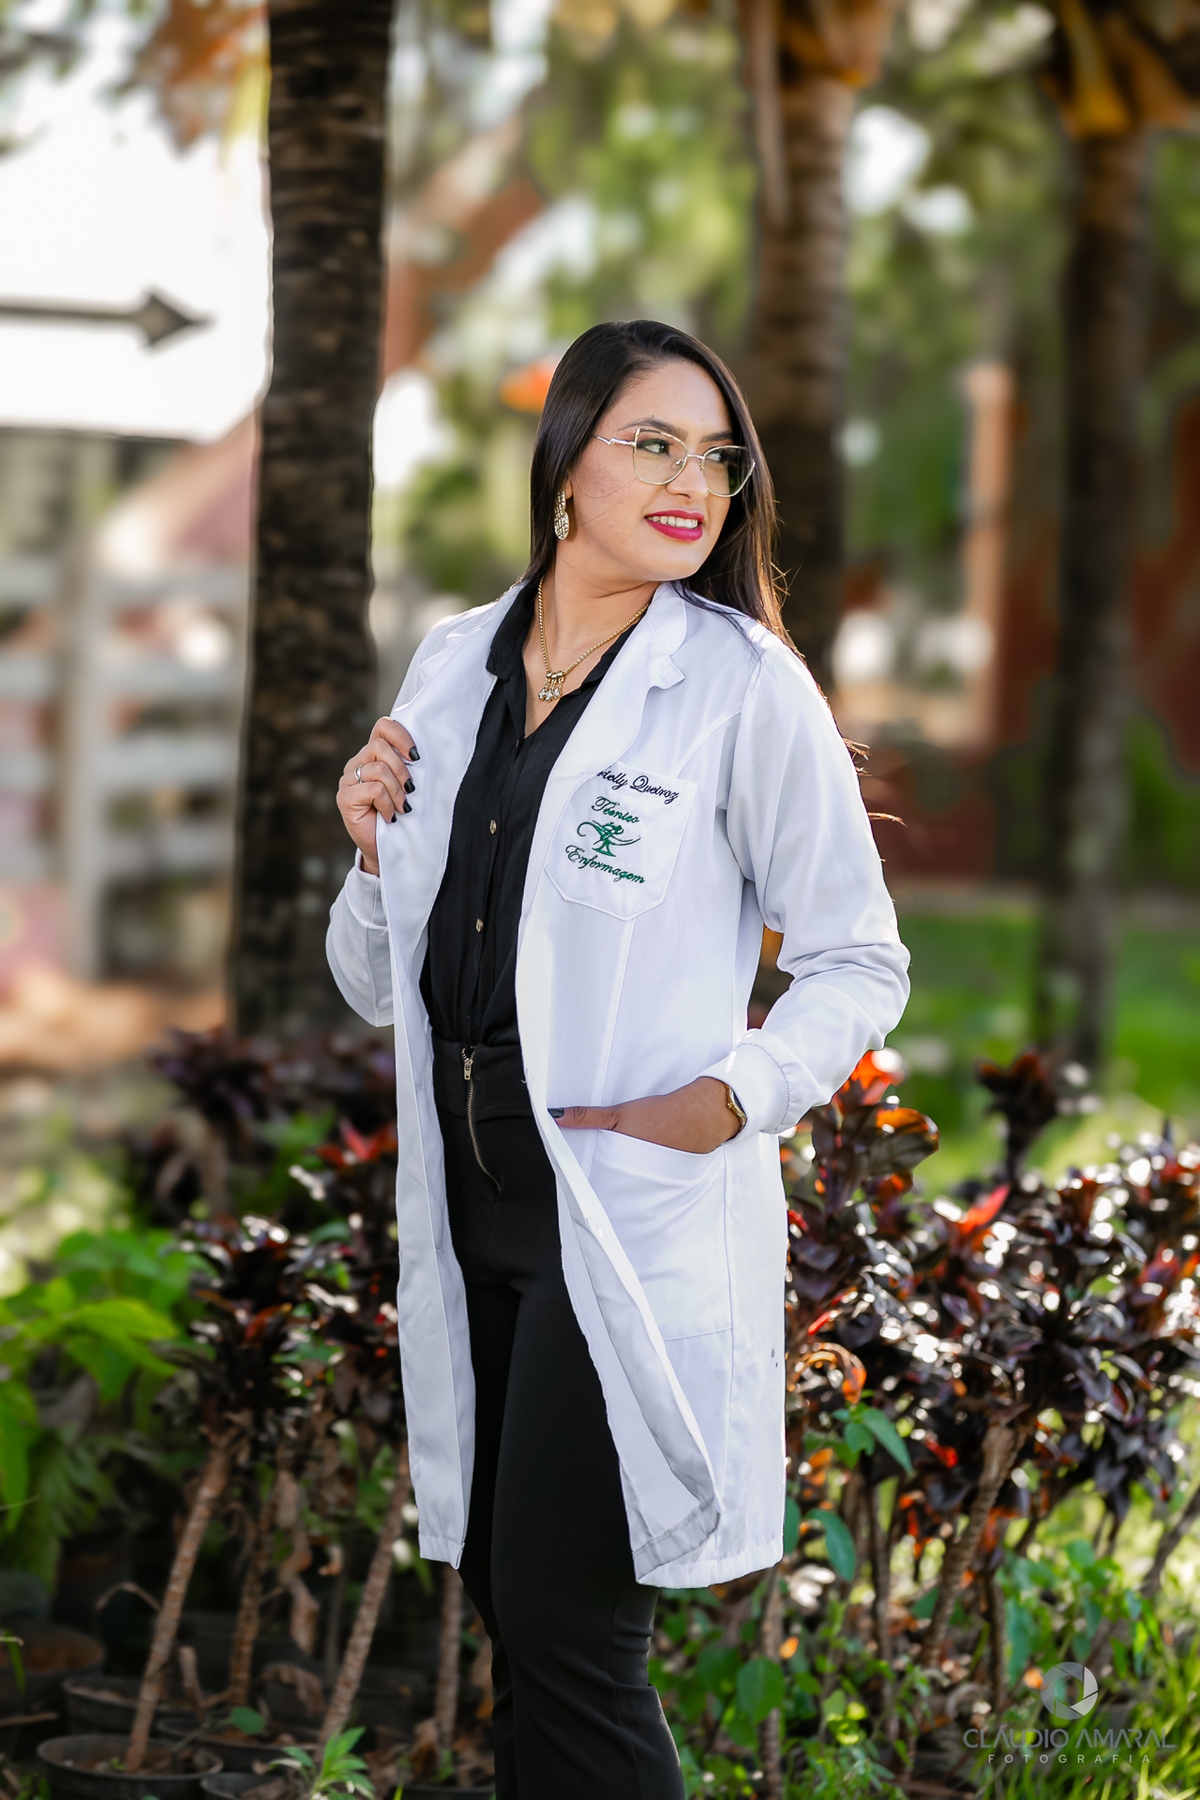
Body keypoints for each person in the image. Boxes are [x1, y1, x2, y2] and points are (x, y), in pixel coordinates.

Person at [327, 318, 909, 1799]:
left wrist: (733, 1099)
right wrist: (369, 846)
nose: (692, 483)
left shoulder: (741, 686)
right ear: (565, 463)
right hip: (469, 1206)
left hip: (620, 1209)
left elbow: (860, 958)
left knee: (570, 1625)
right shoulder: (452, 662)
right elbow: (372, 982)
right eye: (653, 444)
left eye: (717, 458)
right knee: (510, 1610)